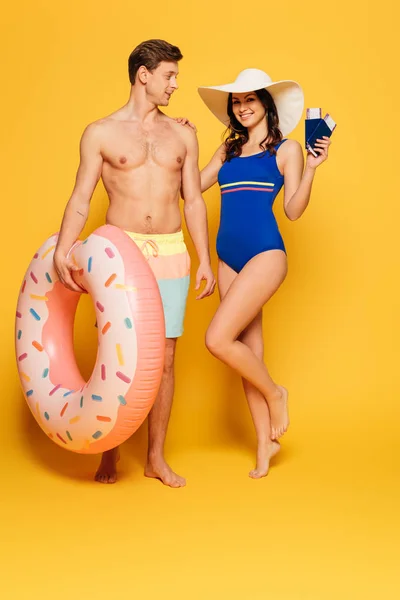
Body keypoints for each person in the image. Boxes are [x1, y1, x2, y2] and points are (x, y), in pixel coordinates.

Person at [53, 39, 216, 487]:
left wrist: (204, 259)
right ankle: (109, 452)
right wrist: (63, 249)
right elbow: (81, 199)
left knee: (164, 359)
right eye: (169, 75)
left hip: (170, 252)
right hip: (118, 255)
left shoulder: (183, 134)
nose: (175, 84)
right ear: (144, 75)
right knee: (116, 355)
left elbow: (193, 202)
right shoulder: (100, 132)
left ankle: (155, 458)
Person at [197, 68, 331, 478]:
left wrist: (311, 168)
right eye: (236, 102)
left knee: (217, 340)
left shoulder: (286, 149)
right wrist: (179, 136)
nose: (243, 107)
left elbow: (292, 209)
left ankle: (277, 394)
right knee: (246, 355)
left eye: (250, 99)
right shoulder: (227, 152)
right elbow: (189, 188)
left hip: (264, 253)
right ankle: (264, 444)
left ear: (266, 104)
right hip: (227, 258)